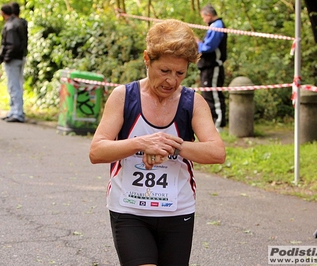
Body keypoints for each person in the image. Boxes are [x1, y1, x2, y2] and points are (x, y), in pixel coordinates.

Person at [89, 19, 226, 266]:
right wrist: (141, 143)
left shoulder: (192, 102)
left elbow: (217, 152)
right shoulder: (124, 96)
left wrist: (169, 145)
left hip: (178, 212)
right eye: (164, 71)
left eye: (180, 73)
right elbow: (97, 151)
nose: (171, 81)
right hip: (129, 210)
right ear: (147, 59)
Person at [195, 4, 228, 132]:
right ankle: (212, 123)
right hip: (207, 67)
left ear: (208, 15)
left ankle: (218, 124)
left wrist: (198, 43)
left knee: (213, 94)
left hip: (213, 67)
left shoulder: (217, 26)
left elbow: (209, 47)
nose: (203, 20)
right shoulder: (213, 26)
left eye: (203, 17)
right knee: (207, 94)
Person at [0, 3, 27, 123]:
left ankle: (17, 113)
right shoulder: (20, 22)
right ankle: (14, 110)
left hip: (13, 59)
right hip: (20, 57)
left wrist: (5, 58)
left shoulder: (10, 25)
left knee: (13, 85)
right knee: (17, 85)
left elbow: (12, 45)